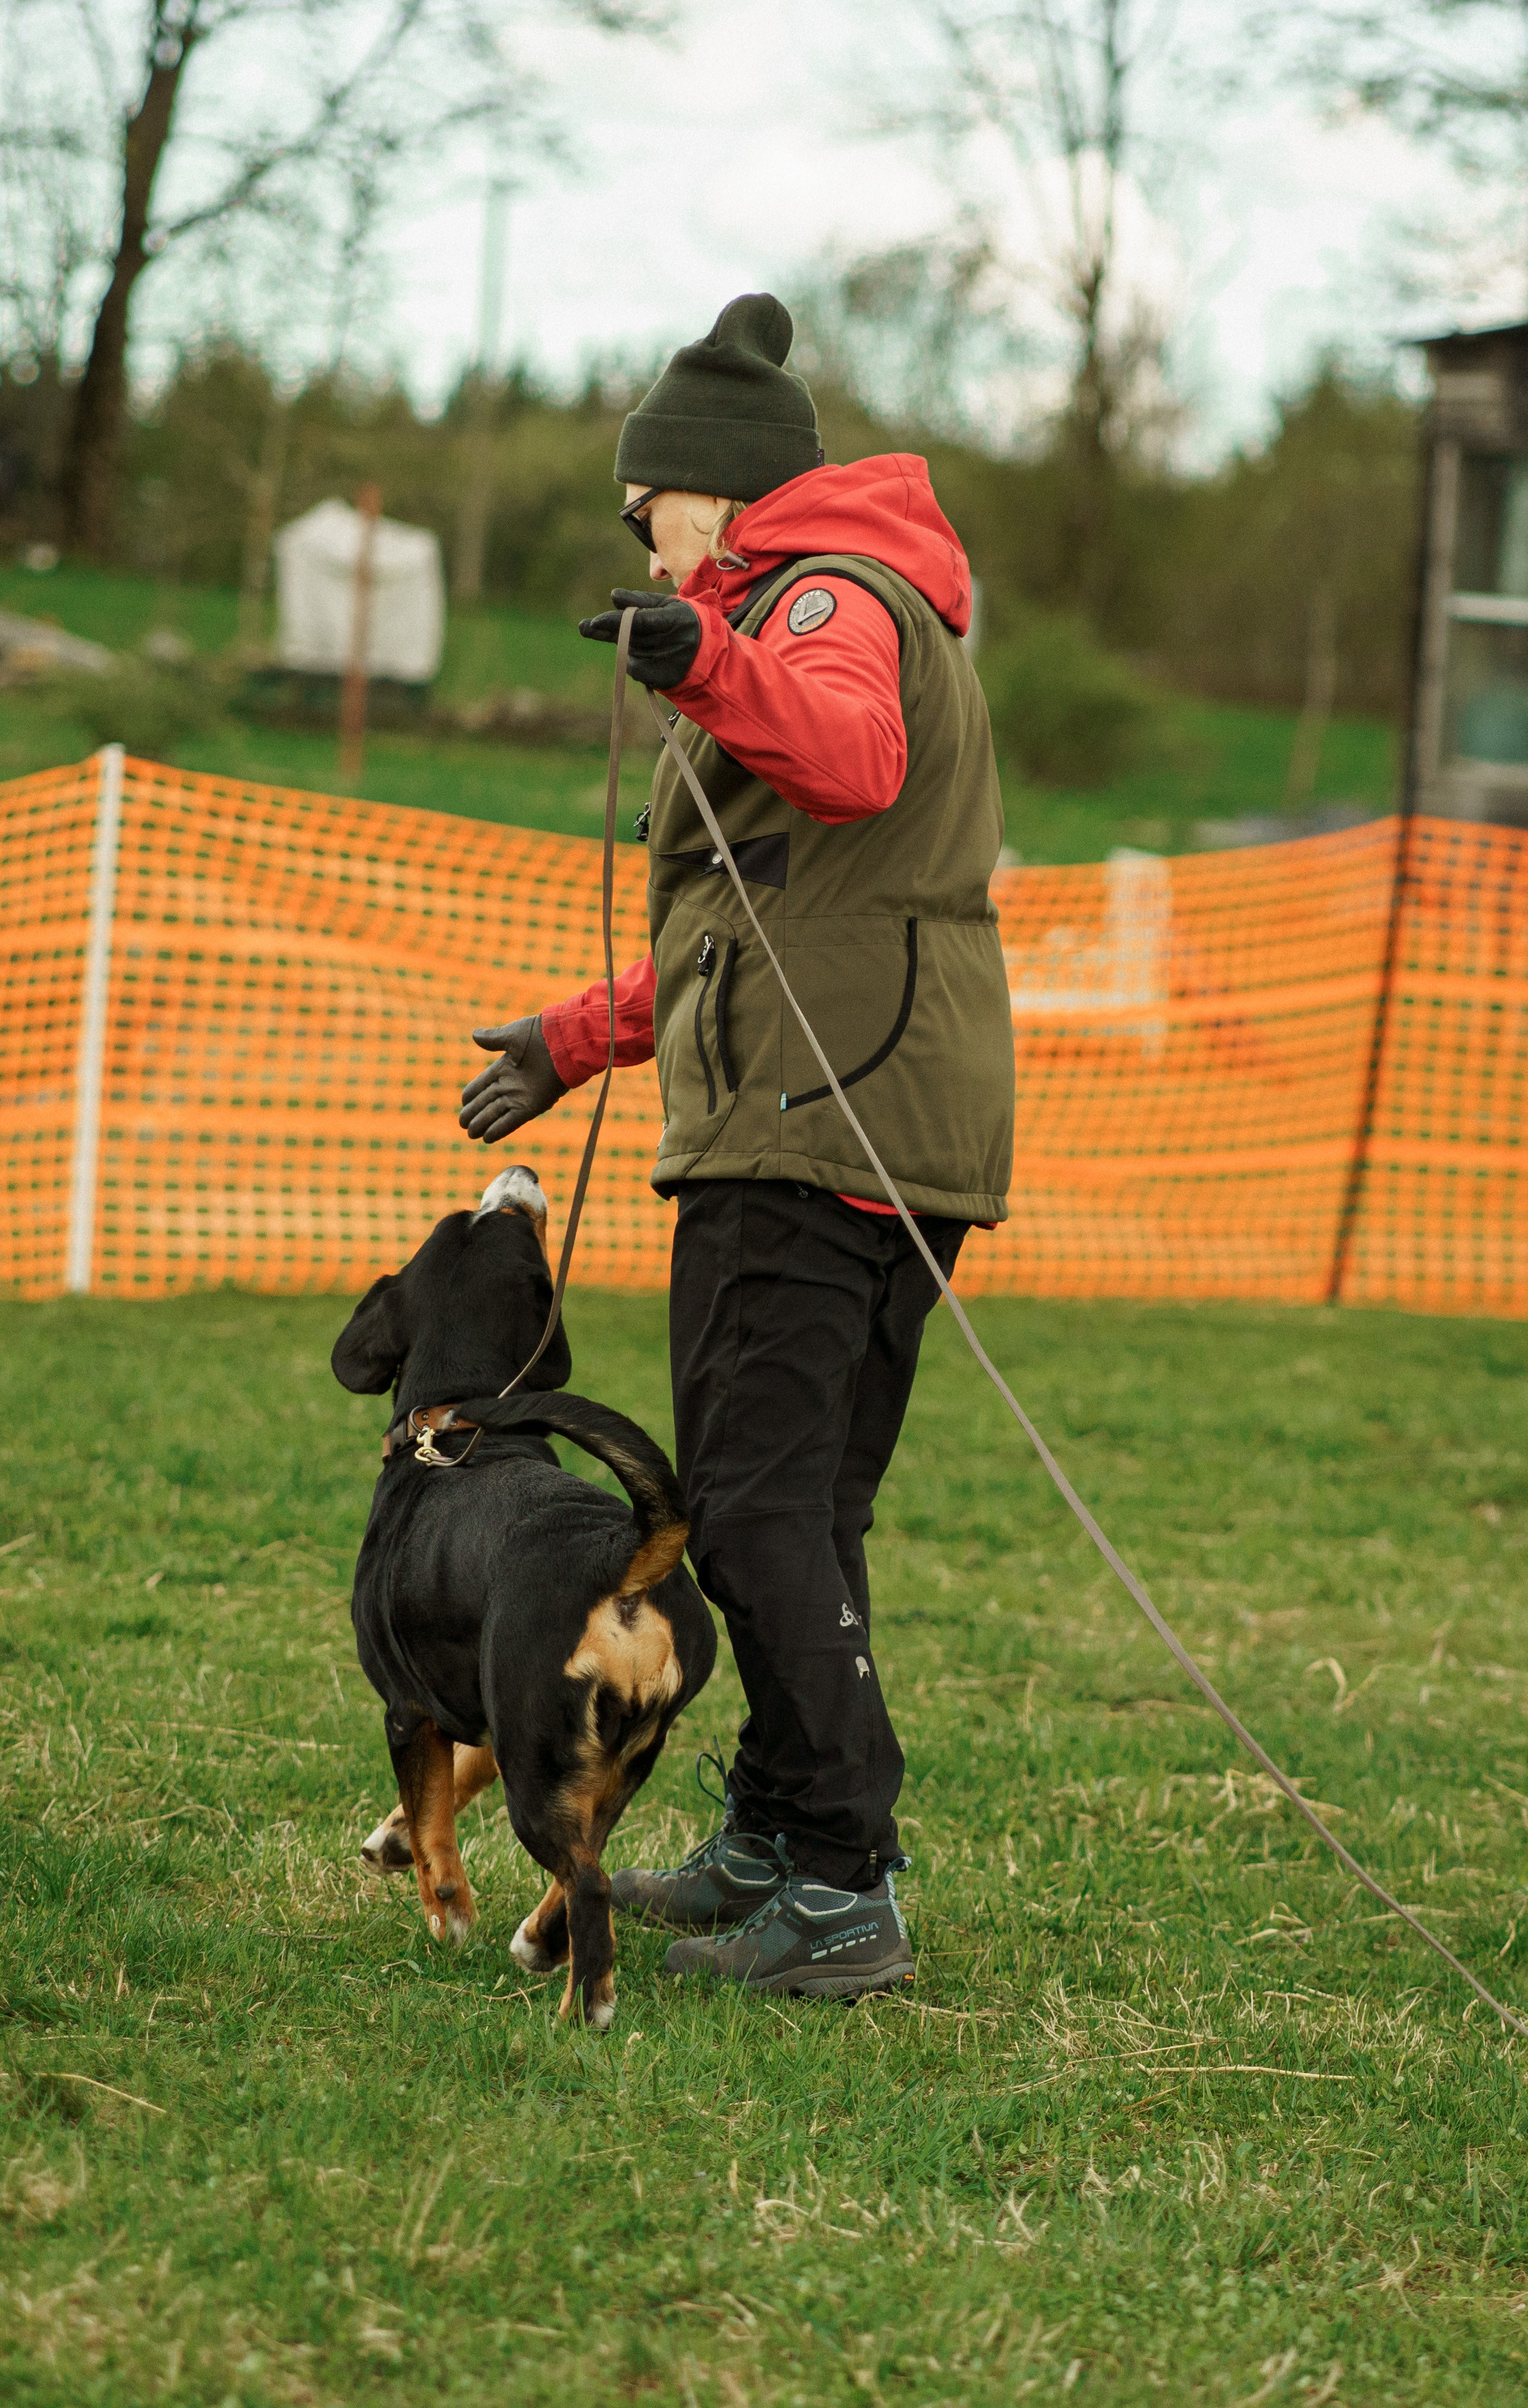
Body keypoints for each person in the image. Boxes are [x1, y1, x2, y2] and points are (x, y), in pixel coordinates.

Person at [458, 292, 1014, 1999]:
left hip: (814, 1119)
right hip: (863, 1101)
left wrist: (706, 658)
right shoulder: (816, 604)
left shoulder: (824, 600)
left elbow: (848, 758)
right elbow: (762, 918)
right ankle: (781, 1836)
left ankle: (842, 1887)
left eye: (656, 498)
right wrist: (572, 1037)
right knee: (801, 1514)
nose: (642, 525)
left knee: (761, 1517)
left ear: (721, 487)